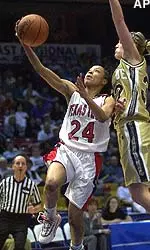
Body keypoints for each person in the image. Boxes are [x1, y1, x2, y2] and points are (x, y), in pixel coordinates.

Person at [15, 24, 115, 250]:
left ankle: (77, 247)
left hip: (89, 159)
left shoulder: (107, 99)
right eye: (89, 69)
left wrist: (86, 97)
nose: (90, 71)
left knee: (75, 215)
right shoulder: (71, 90)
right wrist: (25, 44)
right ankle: (50, 216)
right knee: (50, 184)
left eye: (96, 71)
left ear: (103, 82)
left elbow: (101, 117)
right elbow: (41, 70)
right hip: (67, 149)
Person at [108, 0, 150, 212]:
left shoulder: (134, 59)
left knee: (140, 193)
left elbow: (119, 19)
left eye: (120, 41)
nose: (117, 44)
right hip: (127, 128)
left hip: (134, 125)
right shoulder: (124, 68)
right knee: (137, 193)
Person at [0, 154, 42, 250]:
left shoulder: (31, 185)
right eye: (17, 163)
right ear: (13, 166)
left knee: (20, 246)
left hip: (21, 220)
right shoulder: (4, 182)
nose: (20, 166)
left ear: (26, 167)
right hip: (5, 217)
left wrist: (34, 209)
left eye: (23, 164)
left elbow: (39, 205)